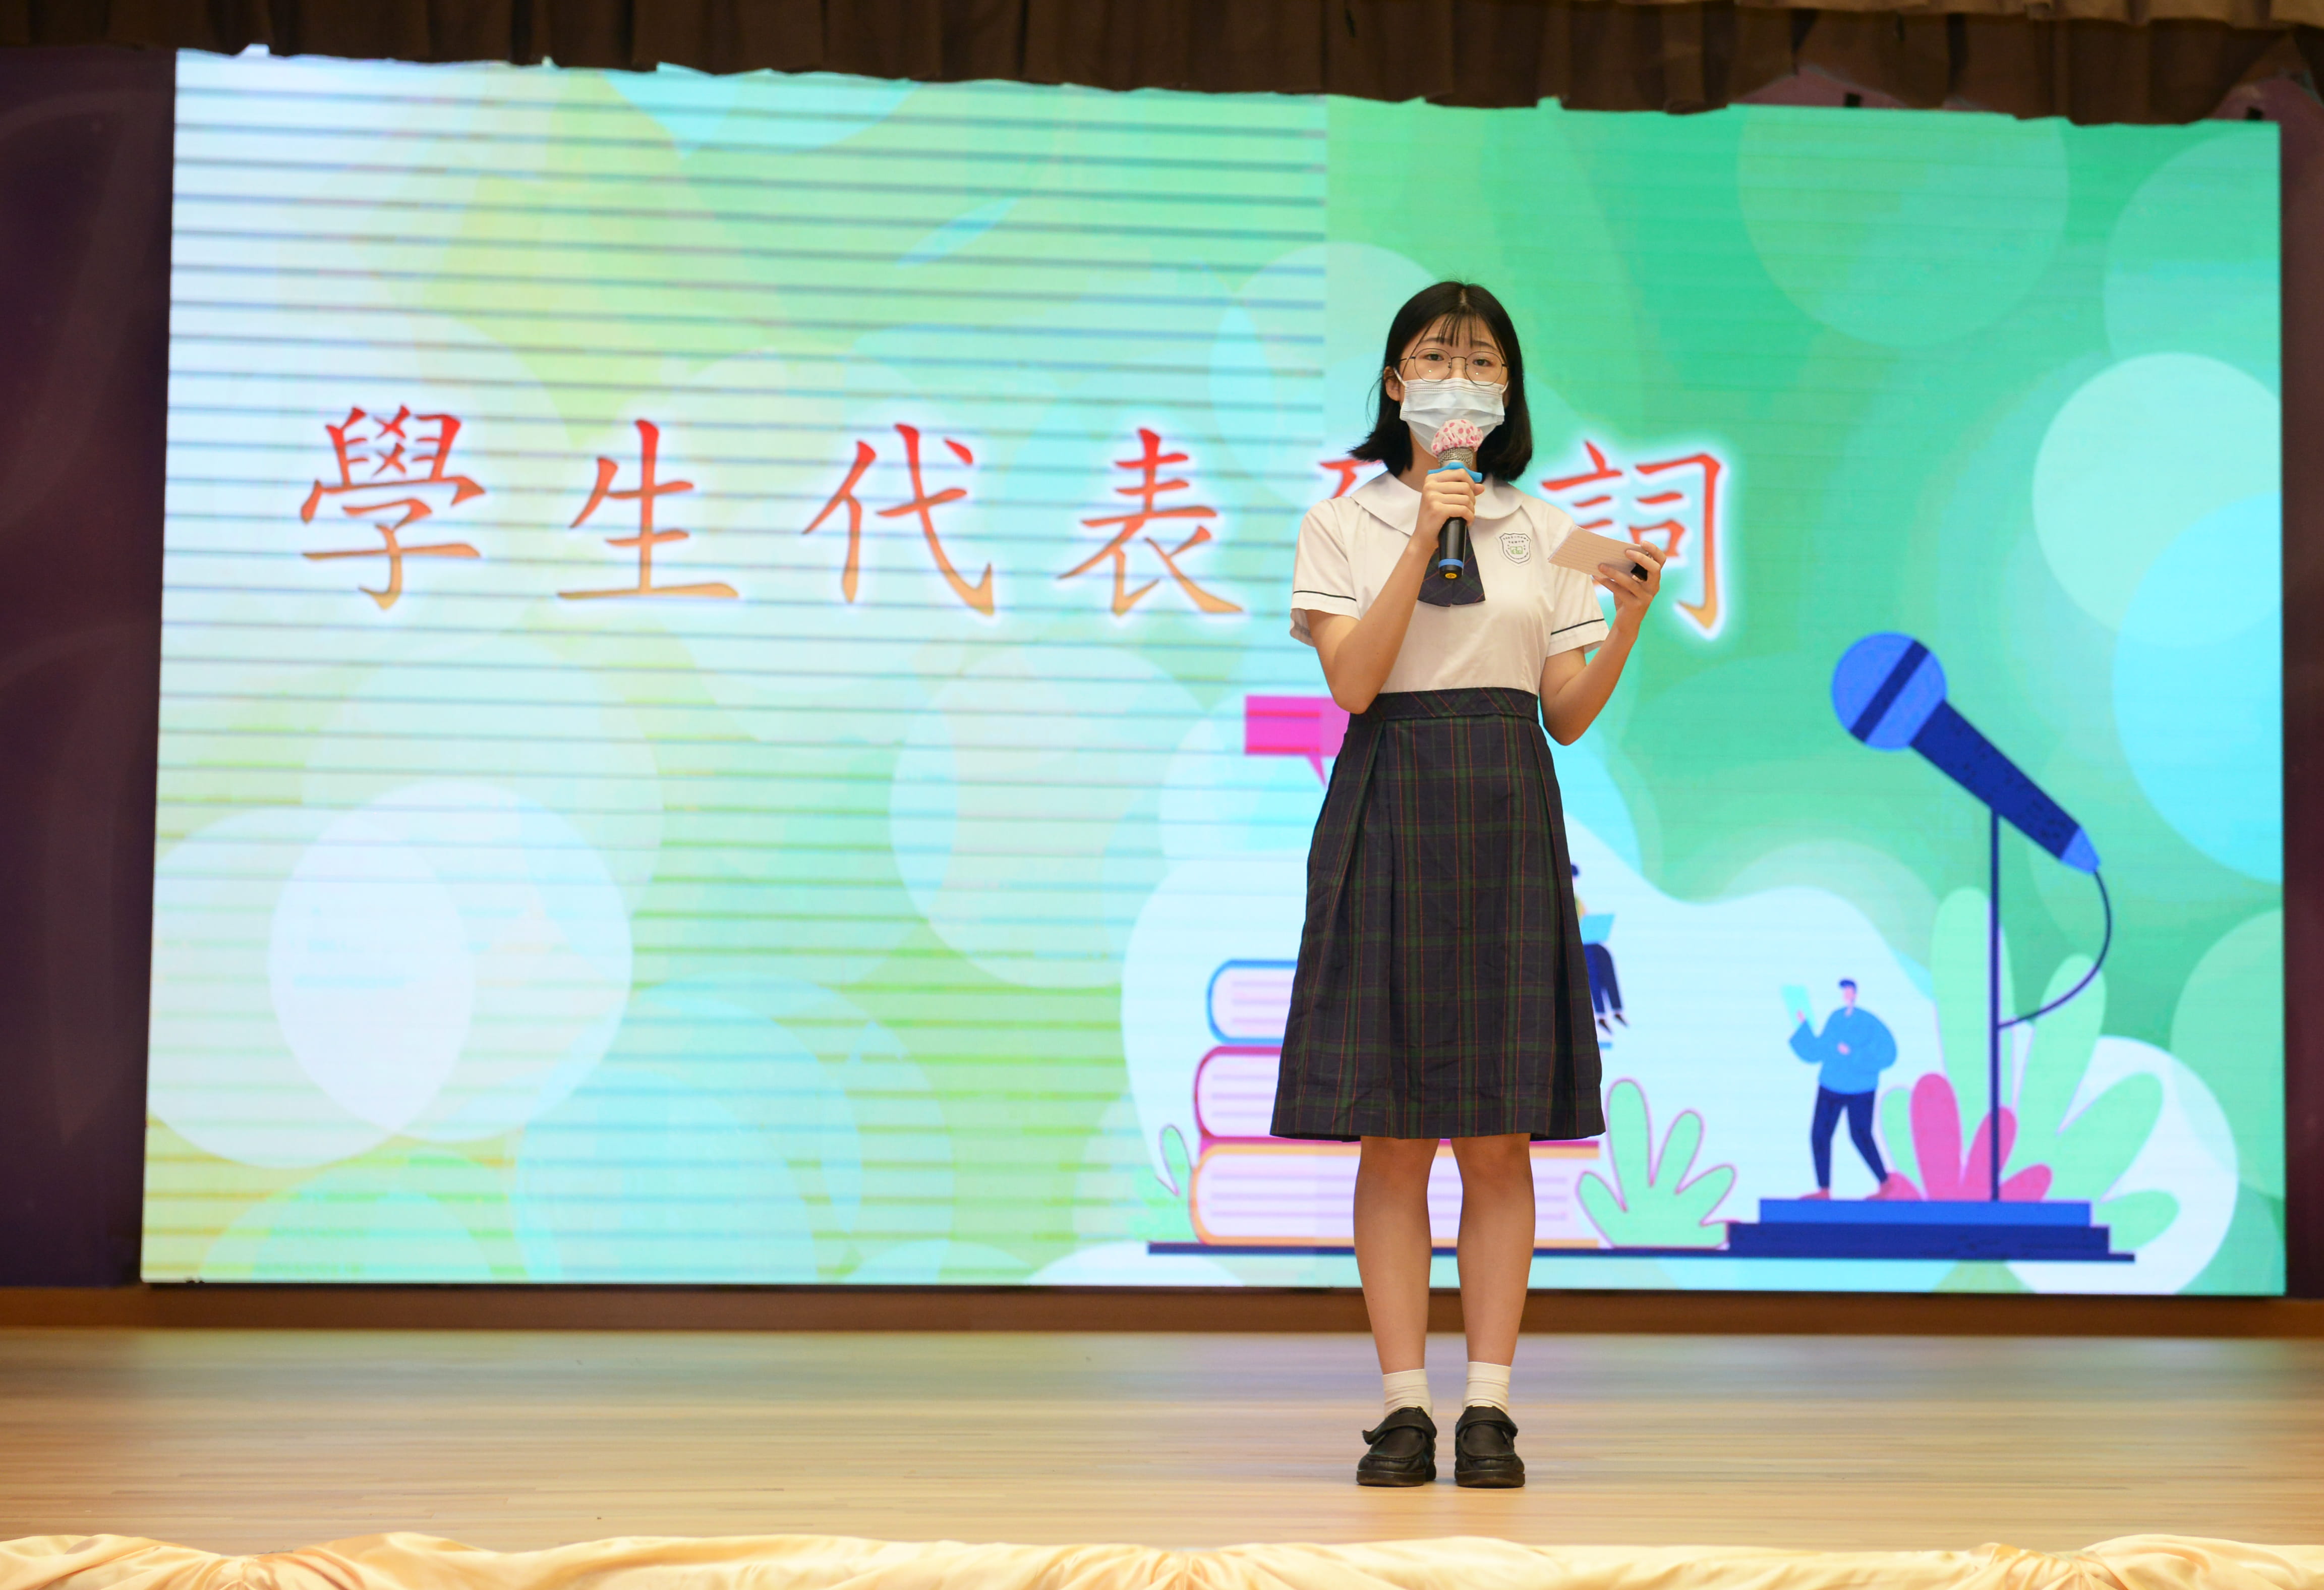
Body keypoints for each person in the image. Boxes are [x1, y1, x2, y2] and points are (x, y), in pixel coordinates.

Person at [1274, 282, 1664, 1489]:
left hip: (1505, 810)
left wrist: (1626, 618)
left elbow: (1564, 714)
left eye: (1484, 359)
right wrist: (1423, 534)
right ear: (1397, 383)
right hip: (1388, 799)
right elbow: (1352, 684)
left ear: (1508, 389)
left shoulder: (1549, 530)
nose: (1461, 376)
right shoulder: (1342, 521)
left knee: (1498, 1136)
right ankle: (1403, 1407)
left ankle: (1488, 1407)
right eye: (1437, 356)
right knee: (1393, 1136)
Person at [1787, 979, 1912, 1200]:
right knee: (1820, 1134)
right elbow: (1818, 1050)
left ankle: (1885, 1183)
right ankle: (1824, 1189)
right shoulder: (1835, 1018)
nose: (1845, 994)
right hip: (1831, 1085)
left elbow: (1889, 1054)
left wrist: (1853, 1054)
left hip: (1860, 1088)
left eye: (1849, 990)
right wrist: (1803, 1026)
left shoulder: (1868, 1021)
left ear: (1855, 993)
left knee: (1861, 1135)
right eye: (1843, 991)